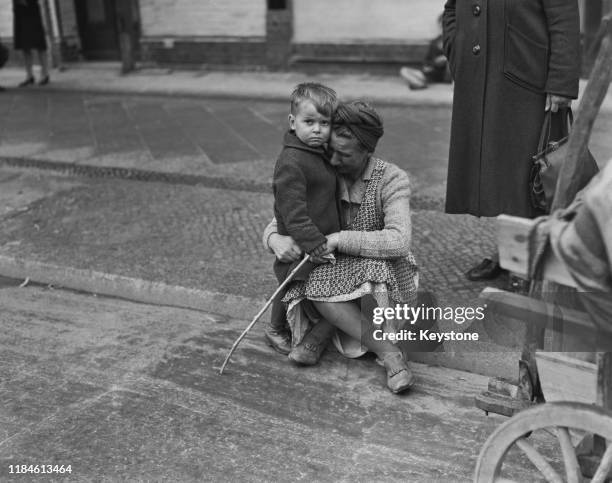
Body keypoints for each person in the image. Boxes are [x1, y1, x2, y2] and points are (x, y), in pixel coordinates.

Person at [264, 100, 419, 394]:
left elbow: (399, 240)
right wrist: (274, 239)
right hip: (335, 266)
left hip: (379, 265)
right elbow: (286, 215)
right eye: (330, 151)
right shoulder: (319, 169)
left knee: (373, 273)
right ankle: (333, 331)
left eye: (344, 154)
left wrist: (337, 239)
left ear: (367, 151)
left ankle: (388, 354)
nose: (333, 160)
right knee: (317, 283)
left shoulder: (391, 178)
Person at [442, 0, 581, 281]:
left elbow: (563, 19)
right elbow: (452, 8)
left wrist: (561, 83)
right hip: (483, 79)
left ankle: (532, 257)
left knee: (531, 177)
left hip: (532, 81)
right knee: (497, 175)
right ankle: (509, 252)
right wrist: (457, 49)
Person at [264, 82, 341, 357]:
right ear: (293, 122)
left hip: (319, 236)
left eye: (324, 123)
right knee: (289, 285)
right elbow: (292, 212)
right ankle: (274, 328)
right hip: (300, 241)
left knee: (304, 286)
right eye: (309, 122)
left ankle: (311, 325)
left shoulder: (318, 153)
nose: (318, 130)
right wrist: (314, 243)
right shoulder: (292, 160)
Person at [399, 13, 452, 90]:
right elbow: (428, 61)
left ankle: (417, 83)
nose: (443, 28)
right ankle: (419, 84)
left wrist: (445, 58)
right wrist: (429, 65)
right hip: (431, 73)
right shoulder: (435, 42)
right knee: (403, 71)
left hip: (446, 74)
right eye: (441, 25)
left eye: (446, 25)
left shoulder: (454, 41)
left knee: (450, 63)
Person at [13, 0, 50, 87]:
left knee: (39, 42)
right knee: (24, 44)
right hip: (19, 10)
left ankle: (45, 74)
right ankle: (29, 76)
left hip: (32, 9)